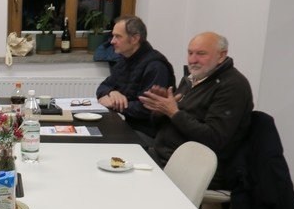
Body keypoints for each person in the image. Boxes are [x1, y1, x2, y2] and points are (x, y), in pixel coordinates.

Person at [138, 31, 253, 184]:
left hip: (195, 169)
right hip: (164, 154)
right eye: (190, 53)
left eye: (201, 54)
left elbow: (214, 139)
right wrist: (161, 111)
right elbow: (162, 126)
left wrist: (173, 112)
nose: (192, 60)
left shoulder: (233, 86)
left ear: (221, 55)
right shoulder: (192, 79)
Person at [95, 15, 175, 137]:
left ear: (134, 39)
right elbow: (103, 87)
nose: (112, 41)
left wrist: (114, 104)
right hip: (126, 124)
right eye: (113, 36)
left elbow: (147, 108)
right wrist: (112, 92)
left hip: (147, 132)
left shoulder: (156, 66)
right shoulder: (124, 59)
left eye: (118, 36)